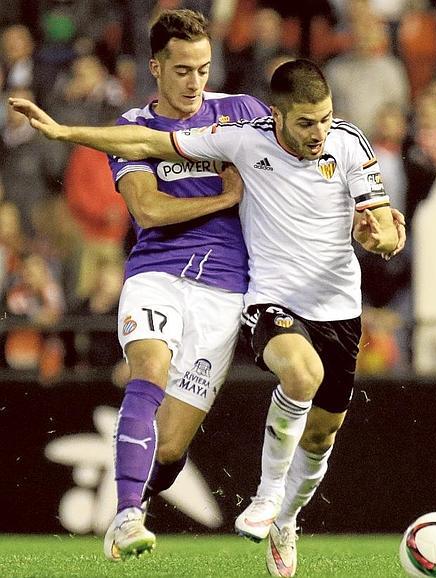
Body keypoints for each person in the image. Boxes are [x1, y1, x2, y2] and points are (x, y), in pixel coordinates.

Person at [11, 58, 405, 577]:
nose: (319, 132)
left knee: (320, 436)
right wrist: (64, 131)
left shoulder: (349, 143)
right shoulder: (243, 138)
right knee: (300, 374)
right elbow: (147, 143)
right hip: (271, 299)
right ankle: (263, 498)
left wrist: (382, 239)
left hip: (338, 308)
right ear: (279, 117)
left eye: (326, 119)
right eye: (306, 122)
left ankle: (286, 519)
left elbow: (386, 226)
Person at [11, 8, 270, 562]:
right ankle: (128, 516)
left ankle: (134, 497)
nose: (195, 82)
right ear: (155, 67)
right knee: (147, 372)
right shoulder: (132, 128)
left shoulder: (243, 114)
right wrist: (224, 198)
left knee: (172, 446)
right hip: (157, 275)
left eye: (203, 68)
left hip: (226, 292)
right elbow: (148, 211)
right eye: (182, 70)